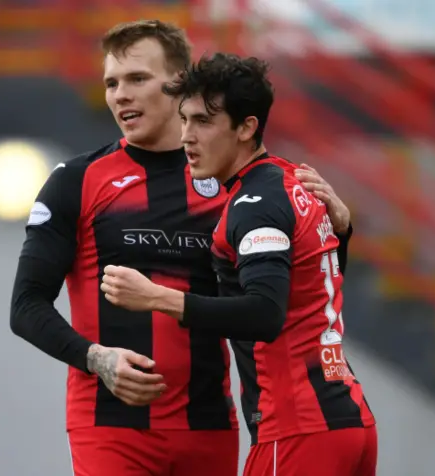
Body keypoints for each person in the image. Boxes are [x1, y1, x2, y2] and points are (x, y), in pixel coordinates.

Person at [10, 20, 352, 476]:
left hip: (209, 424)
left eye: (137, 79)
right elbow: (25, 305)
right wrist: (97, 358)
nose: (119, 96)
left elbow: (301, 295)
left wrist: (341, 231)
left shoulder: (235, 186)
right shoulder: (75, 181)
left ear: (179, 87)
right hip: (111, 428)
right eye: (111, 83)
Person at [100, 53, 377, 476]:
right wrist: (343, 234)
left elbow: (265, 312)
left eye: (204, 122)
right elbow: (313, 290)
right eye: (185, 119)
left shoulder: (254, 204)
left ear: (247, 127)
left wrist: (156, 297)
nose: (187, 136)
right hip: (349, 421)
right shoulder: (291, 182)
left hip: (297, 429)